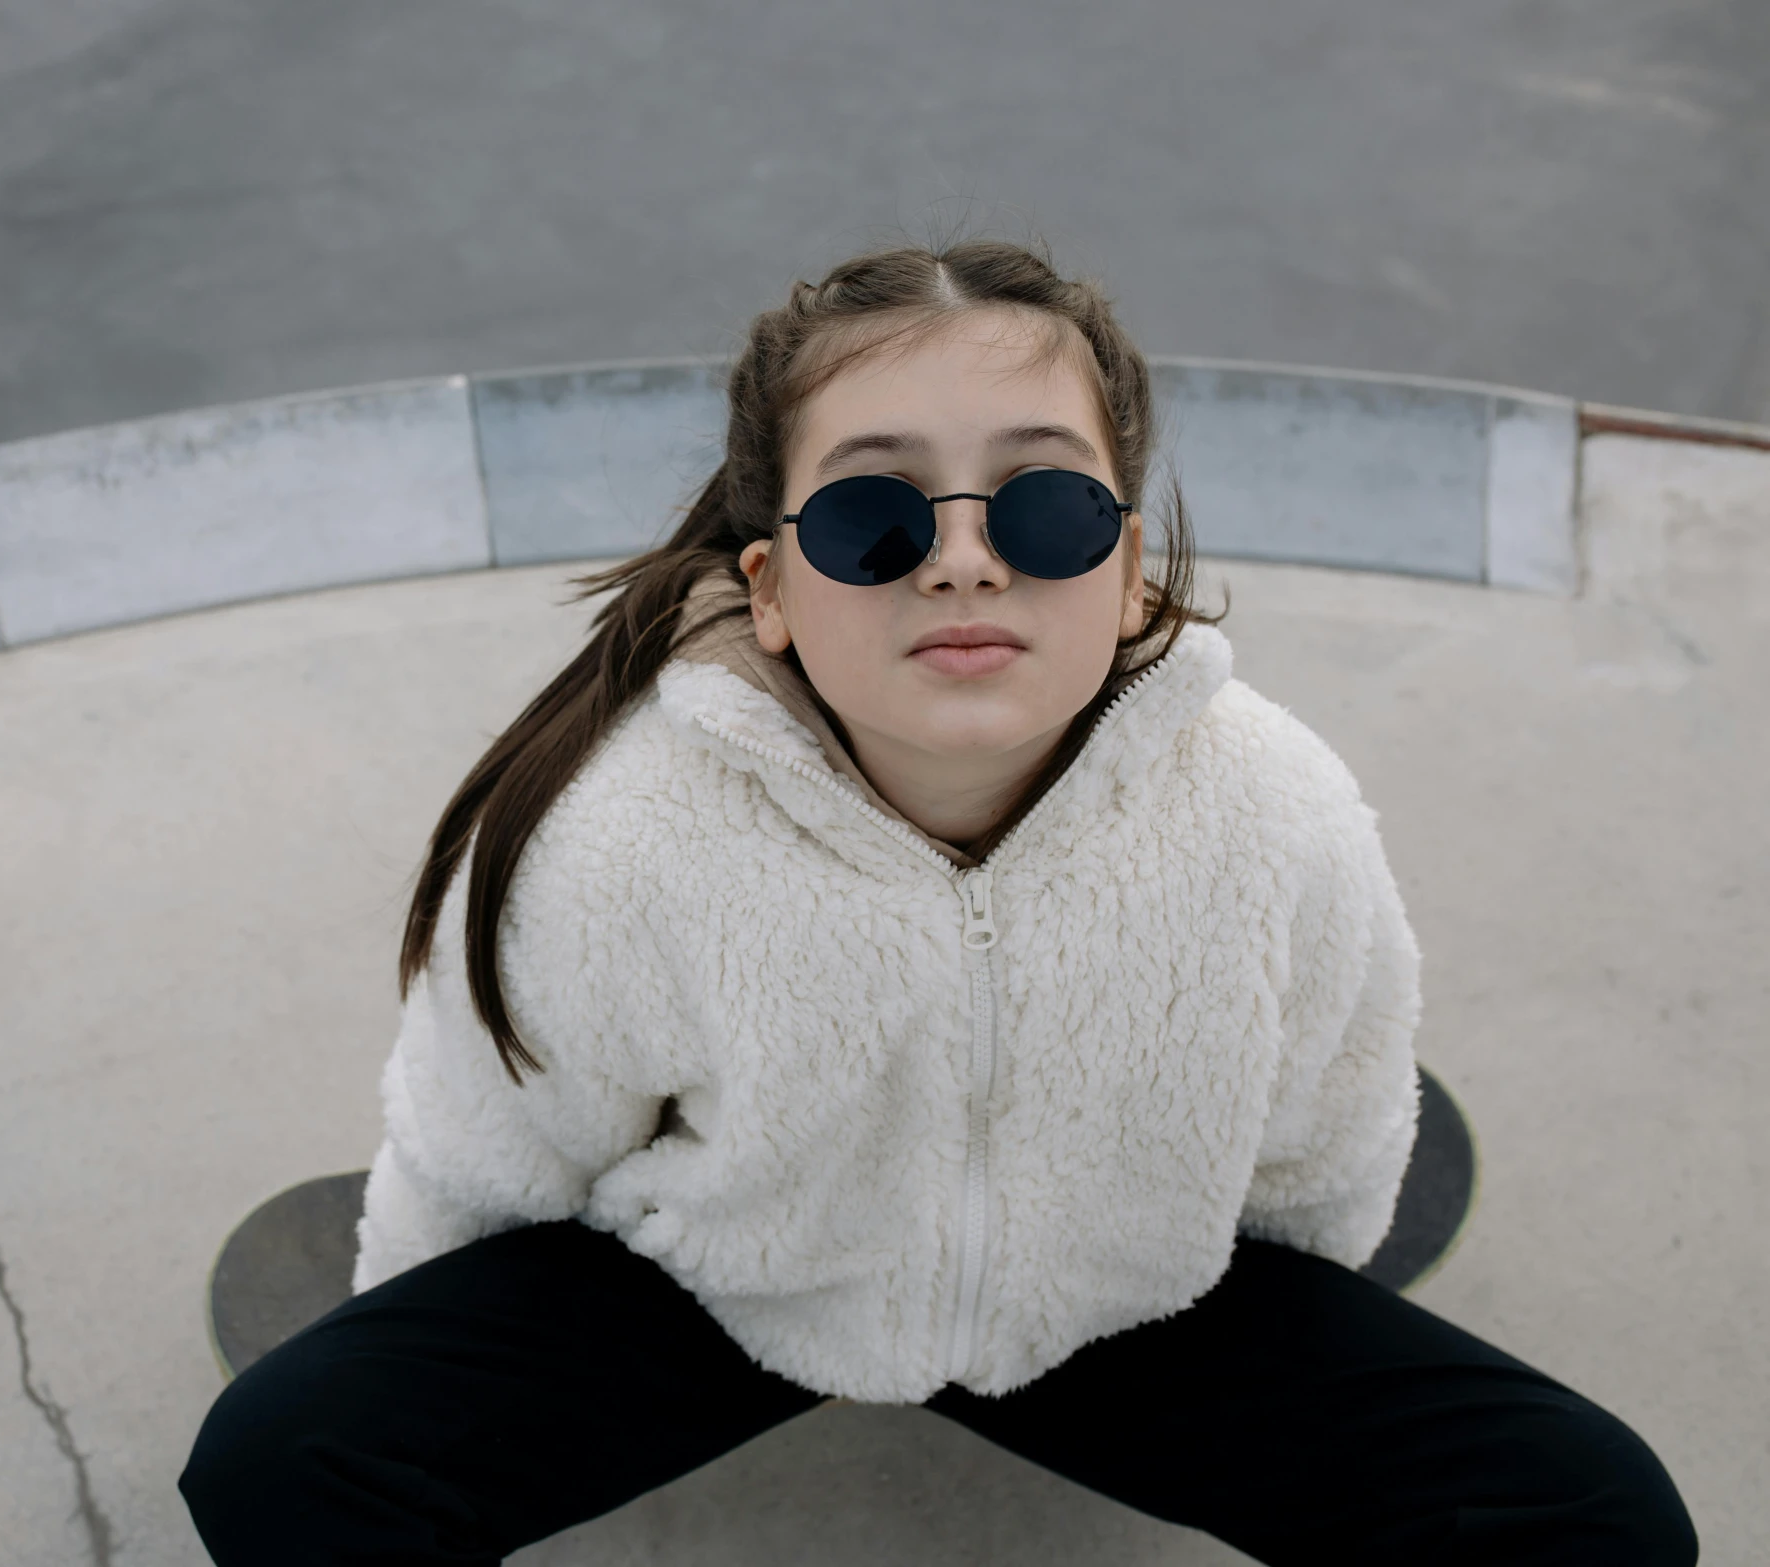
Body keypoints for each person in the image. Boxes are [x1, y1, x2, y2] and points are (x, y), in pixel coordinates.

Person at [179, 239, 1698, 1564]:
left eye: (1040, 510)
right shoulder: (622, 834)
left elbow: (1322, 1155)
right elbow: (488, 1149)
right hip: (736, 1276)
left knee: (1587, 1512)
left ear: (1122, 569)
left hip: (1112, 1297)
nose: (962, 560)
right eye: (871, 521)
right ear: (770, 586)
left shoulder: (1273, 811)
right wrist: (401, 1349)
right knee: (283, 1460)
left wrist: (1305, 1339)